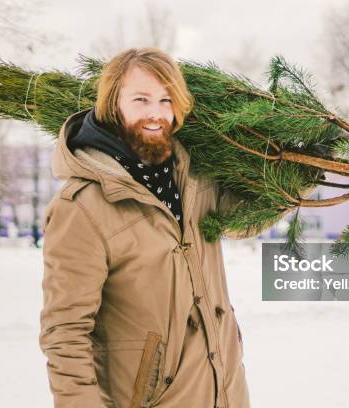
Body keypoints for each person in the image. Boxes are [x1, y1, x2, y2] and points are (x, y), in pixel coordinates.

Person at [39, 47, 288, 408]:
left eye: (165, 99)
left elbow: (244, 220)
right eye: (141, 99)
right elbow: (65, 333)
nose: (156, 113)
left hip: (224, 392)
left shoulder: (194, 176)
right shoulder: (82, 207)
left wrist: (299, 173)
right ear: (112, 103)